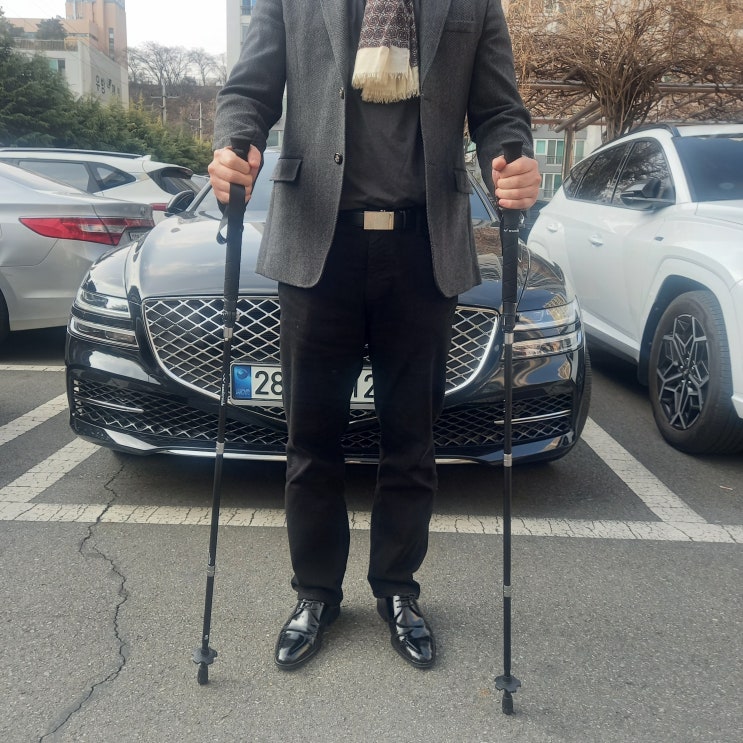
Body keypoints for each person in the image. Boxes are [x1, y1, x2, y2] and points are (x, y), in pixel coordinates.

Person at [208, 0, 541, 671]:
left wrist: (514, 156)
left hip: (423, 250)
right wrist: (235, 140)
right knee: (310, 441)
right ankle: (315, 593)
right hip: (316, 246)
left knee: (412, 442)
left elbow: (499, 110)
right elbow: (249, 89)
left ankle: (396, 588)